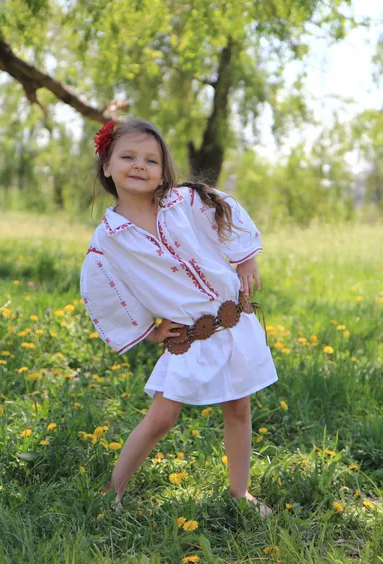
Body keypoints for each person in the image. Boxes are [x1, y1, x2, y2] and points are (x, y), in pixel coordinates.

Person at [80, 118, 278, 518]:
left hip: (231, 321)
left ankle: (240, 493)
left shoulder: (184, 203)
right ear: (107, 166)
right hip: (189, 335)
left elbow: (224, 208)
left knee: (239, 407)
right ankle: (111, 491)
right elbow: (105, 288)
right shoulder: (109, 239)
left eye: (151, 160)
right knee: (162, 416)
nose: (140, 165)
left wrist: (245, 259)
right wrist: (149, 332)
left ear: (163, 170)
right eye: (128, 157)